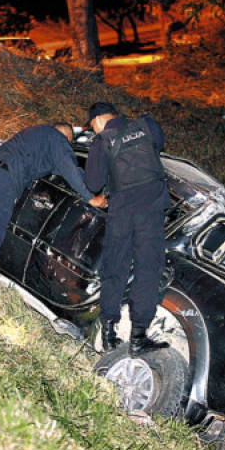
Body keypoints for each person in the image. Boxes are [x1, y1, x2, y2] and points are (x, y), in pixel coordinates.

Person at [0, 122, 105, 296]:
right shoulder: (57, 139)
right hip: (4, 178)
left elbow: (65, 171)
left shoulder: (36, 134)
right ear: (67, 137)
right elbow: (70, 168)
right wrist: (91, 197)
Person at [84, 102, 171, 356]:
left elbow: (94, 182)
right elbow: (159, 144)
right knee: (148, 270)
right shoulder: (147, 125)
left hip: (121, 213)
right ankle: (139, 336)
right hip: (151, 210)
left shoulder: (102, 140)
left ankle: (109, 334)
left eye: (93, 127)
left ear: (99, 120)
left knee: (115, 268)